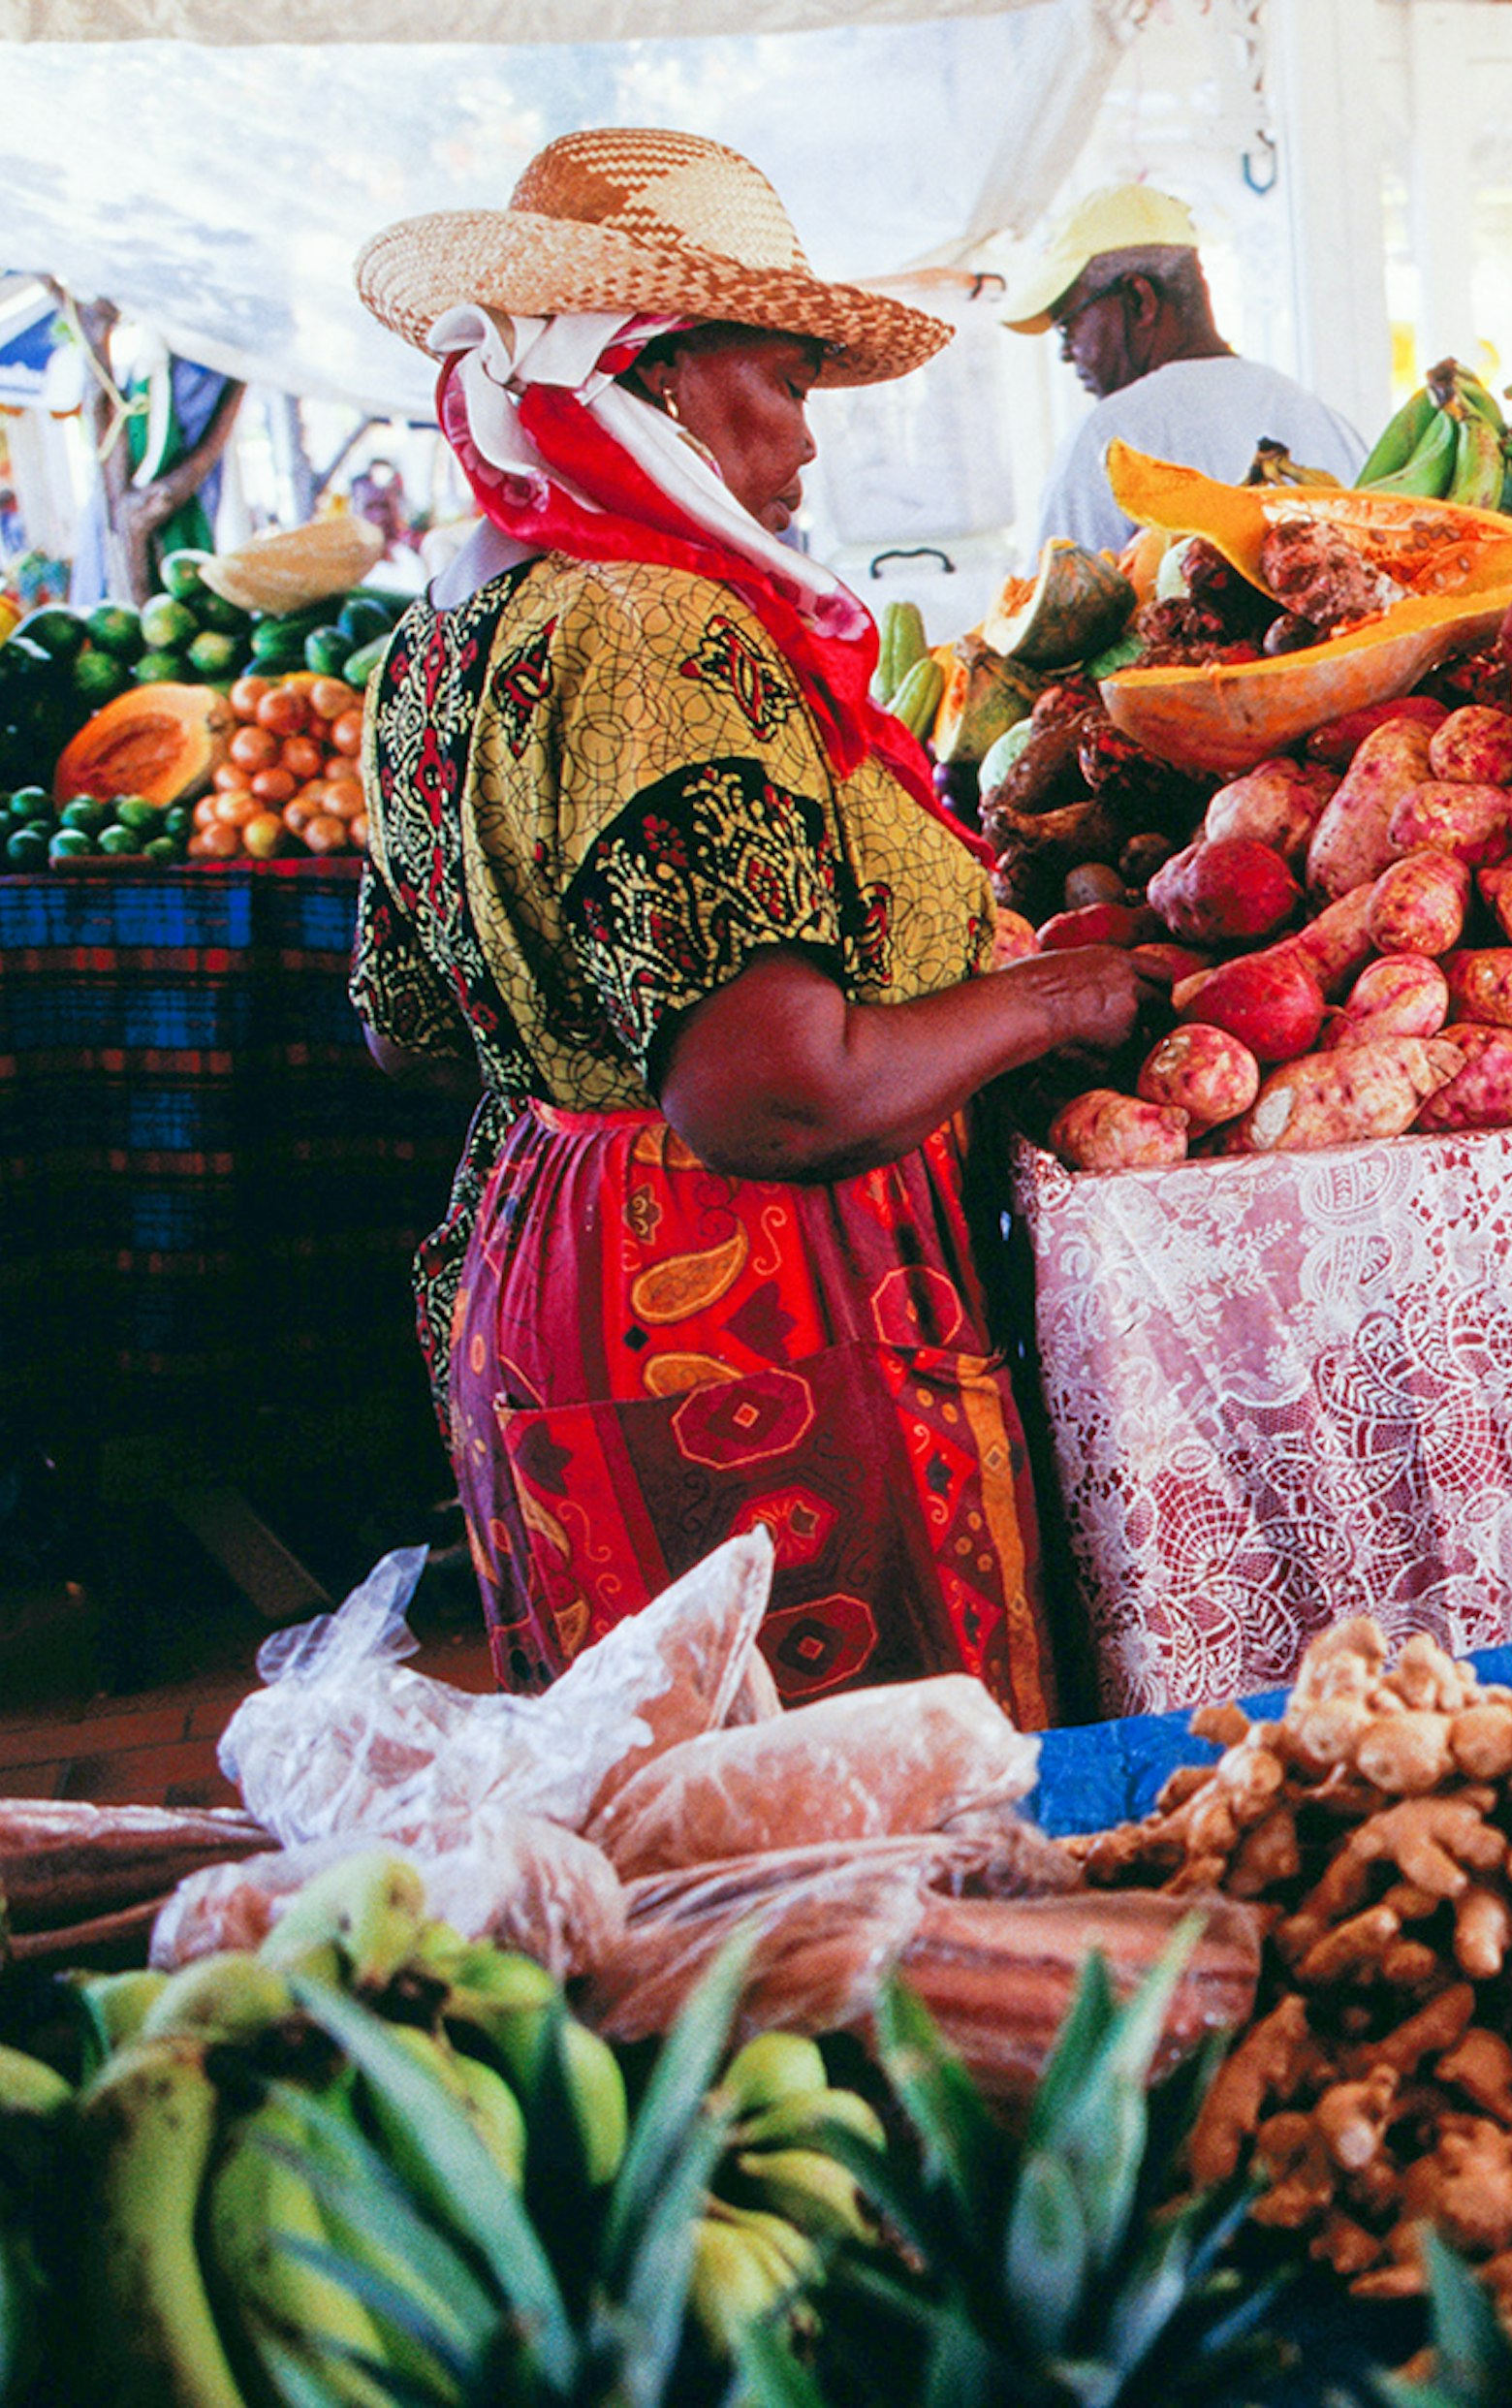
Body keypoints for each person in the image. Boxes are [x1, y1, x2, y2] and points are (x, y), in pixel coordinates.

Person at [345, 128, 1157, 1725]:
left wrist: (585, 1057)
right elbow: (772, 1091)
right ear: (636, 375)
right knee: (842, 1828)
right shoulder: (656, 625)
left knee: (662, 1828)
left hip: (544, 1268)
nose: (803, 442)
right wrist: (1059, 998)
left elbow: (403, 1023)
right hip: (747, 1325)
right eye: (781, 383)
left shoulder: (439, 629)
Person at [1002, 184, 1363, 554]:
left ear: (1139, 298)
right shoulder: (1321, 418)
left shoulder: (1107, 440)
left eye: (1068, 325)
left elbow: (1057, 606)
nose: (1066, 352)